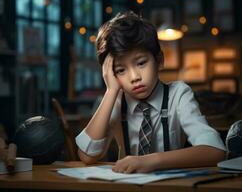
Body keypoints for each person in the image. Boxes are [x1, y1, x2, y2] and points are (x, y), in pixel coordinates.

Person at [75, 11, 226, 173]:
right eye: (120, 70)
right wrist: (111, 90)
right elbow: (87, 155)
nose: (134, 77)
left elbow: (215, 151)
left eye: (141, 63)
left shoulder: (178, 94)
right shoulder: (116, 100)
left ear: (159, 61)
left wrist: (151, 161)